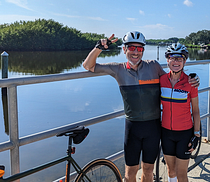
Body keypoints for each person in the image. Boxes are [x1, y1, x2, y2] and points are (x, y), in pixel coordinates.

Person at [82, 31, 199, 182]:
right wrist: (99, 47)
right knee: (130, 173)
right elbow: (88, 66)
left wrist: (193, 78)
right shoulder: (117, 69)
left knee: (148, 171)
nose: (135, 52)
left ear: (143, 50)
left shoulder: (154, 66)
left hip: (153, 127)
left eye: (140, 48)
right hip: (132, 127)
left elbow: (173, 78)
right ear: (124, 49)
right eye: (131, 47)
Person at [160, 43, 201, 182]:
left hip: (184, 133)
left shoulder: (190, 82)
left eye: (180, 58)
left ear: (184, 61)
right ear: (167, 60)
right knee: (171, 171)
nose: (176, 61)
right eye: (172, 57)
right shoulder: (161, 80)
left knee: (181, 173)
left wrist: (197, 134)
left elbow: (195, 111)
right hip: (166, 132)